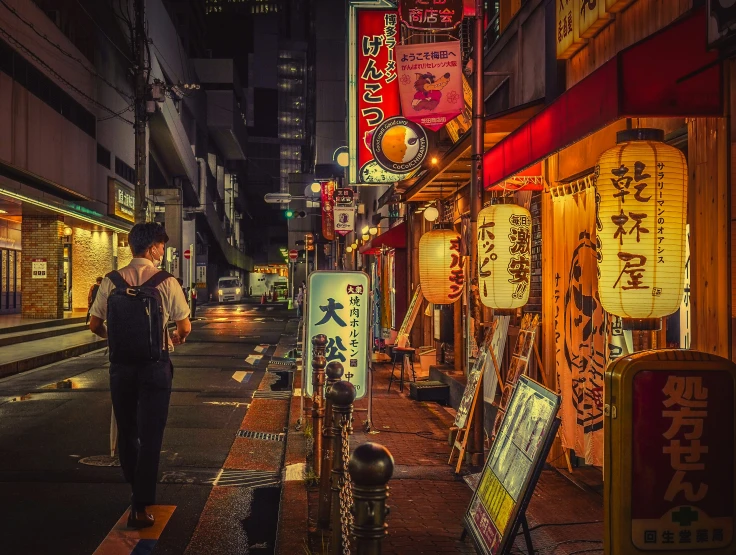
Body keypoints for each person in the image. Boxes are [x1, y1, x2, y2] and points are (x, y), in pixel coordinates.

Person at [89, 223, 191, 529]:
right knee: (151, 436)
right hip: (155, 366)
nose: (162, 251)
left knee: (127, 429)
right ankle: (141, 503)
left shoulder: (111, 280)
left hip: (121, 367)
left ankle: (136, 490)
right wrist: (173, 336)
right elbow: (185, 327)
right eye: (161, 246)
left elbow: (94, 324)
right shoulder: (166, 281)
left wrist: (115, 339)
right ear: (152, 248)